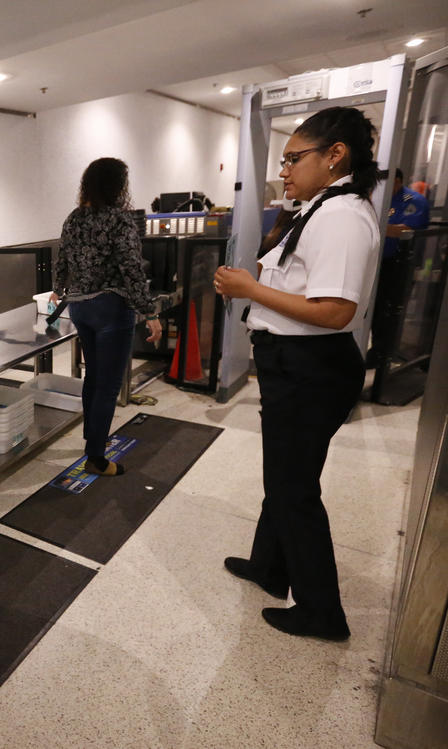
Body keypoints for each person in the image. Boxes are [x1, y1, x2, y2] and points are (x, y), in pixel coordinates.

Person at [213, 106, 381, 641]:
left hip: (312, 370)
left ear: (336, 156)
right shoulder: (319, 208)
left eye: (293, 159)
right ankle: (270, 566)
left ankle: (321, 612)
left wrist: (250, 289)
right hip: (295, 366)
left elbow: (336, 312)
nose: (284, 171)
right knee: (283, 478)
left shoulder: (340, 217)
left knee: (294, 489)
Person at [54, 157, 162, 476]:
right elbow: (131, 269)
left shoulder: (74, 218)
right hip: (110, 308)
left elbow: (61, 261)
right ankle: (97, 457)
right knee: (108, 384)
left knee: (94, 377)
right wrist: (149, 312)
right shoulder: (119, 220)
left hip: (80, 307)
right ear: (118, 186)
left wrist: (59, 289)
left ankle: (92, 440)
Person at [369, 168, 431, 363]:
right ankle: (376, 350)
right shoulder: (378, 199)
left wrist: (371, 225)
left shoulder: (414, 201)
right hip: (376, 262)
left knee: (389, 309)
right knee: (374, 307)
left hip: (398, 264)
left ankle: (384, 353)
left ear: (397, 181)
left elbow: (405, 231)